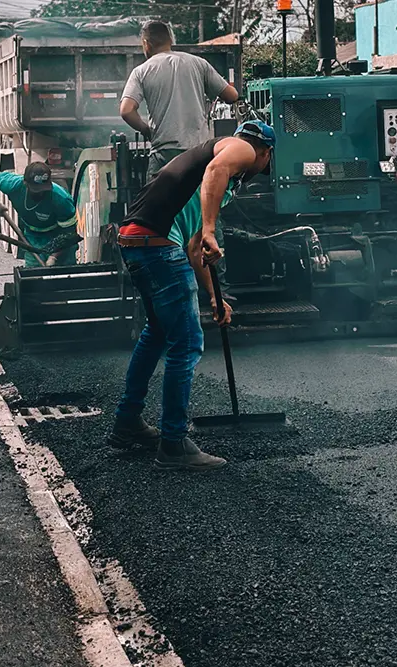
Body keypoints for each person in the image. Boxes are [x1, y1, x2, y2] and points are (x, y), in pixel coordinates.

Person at [105, 120, 276, 471]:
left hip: (137, 242)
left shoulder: (211, 176)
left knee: (157, 332)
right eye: (265, 164)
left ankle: (128, 421)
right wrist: (212, 229)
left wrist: (214, 296)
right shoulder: (241, 149)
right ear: (265, 152)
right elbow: (216, 172)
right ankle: (173, 444)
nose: (259, 171)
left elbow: (195, 247)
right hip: (156, 245)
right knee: (186, 343)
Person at [120, 20, 240, 299]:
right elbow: (232, 95)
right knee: (206, 221)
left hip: (164, 157)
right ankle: (218, 290)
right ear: (171, 40)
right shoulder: (198, 64)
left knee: (159, 222)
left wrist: (147, 129)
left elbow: (126, 110)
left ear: (146, 44)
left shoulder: (142, 70)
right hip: (200, 156)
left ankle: (167, 284)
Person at [0, 162, 78, 267]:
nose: (40, 193)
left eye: (43, 189)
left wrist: (54, 257)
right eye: (36, 190)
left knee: (64, 272)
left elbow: (69, 234)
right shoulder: (12, 185)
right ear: (25, 183)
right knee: (34, 272)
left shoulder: (61, 199)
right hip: (33, 236)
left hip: (58, 235)